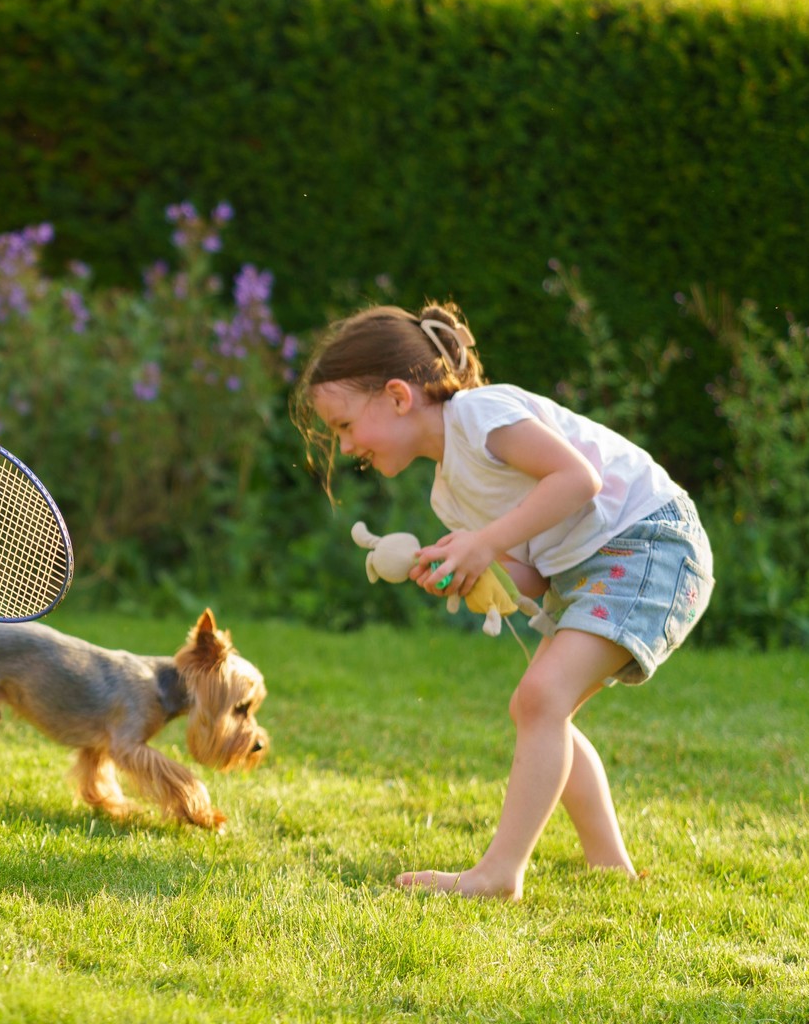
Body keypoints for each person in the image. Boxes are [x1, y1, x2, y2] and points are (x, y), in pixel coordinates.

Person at [292, 301, 711, 898]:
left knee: (540, 698)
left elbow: (576, 480)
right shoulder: (447, 496)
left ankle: (498, 875)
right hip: (591, 567)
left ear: (397, 396)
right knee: (541, 709)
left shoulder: (480, 414)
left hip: (651, 541)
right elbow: (532, 577)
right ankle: (610, 865)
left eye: (343, 426)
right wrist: (467, 568)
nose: (345, 445)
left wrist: (485, 542)